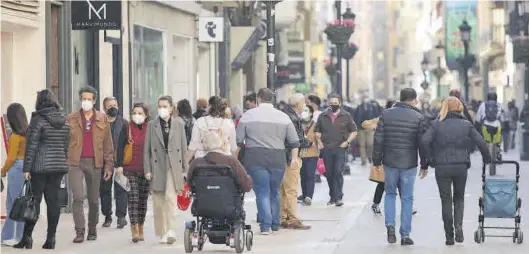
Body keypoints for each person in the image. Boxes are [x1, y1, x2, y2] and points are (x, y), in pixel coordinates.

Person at [421, 96, 491, 245]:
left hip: (442, 166)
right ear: (459, 107)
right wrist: (487, 159)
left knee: (446, 200)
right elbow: (480, 141)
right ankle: (459, 227)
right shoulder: (466, 125)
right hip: (460, 166)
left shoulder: (436, 124)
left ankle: (449, 236)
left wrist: (429, 160)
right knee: (459, 198)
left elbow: (424, 141)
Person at [236, 88, 300, 235]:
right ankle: (276, 224)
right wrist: (294, 158)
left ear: (258, 99)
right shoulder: (283, 117)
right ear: (272, 99)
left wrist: (234, 160)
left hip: (255, 157)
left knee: (262, 192)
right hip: (278, 158)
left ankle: (266, 226)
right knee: (275, 191)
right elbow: (294, 141)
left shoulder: (248, 116)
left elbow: (238, 141)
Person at [14, 89, 70, 249]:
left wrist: (27, 168)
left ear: (40, 101)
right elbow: (66, 146)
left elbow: (31, 146)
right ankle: (51, 239)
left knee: (33, 201)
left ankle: (27, 237)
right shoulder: (64, 120)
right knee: (53, 203)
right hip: (58, 166)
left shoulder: (37, 120)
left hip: (39, 167)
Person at [372, 88, 428, 246]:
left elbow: (379, 140)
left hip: (390, 162)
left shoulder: (386, 114)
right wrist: (425, 164)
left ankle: (390, 226)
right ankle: (405, 235)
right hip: (409, 163)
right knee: (407, 198)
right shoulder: (418, 117)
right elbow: (423, 144)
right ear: (413, 100)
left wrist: (376, 161)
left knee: (390, 194)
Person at [68, 86, 114, 243]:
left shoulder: (103, 118)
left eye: (89, 99)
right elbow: (64, 141)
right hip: (75, 162)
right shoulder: (72, 118)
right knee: (78, 197)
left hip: (95, 163)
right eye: (83, 98)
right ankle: (79, 231)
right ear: (80, 100)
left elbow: (108, 144)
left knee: (94, 199)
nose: (86, 101)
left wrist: (109, 166)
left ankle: (92, 228)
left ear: (94, 101)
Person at [144, 95, 188, 244]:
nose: (162, 109)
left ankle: (171, 230)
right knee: (158, 201)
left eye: (165, 106)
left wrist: (184, 169)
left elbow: (183, 148)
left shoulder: (179, 124)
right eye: (160, 106)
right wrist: (147, 169)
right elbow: (147, 150)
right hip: (157, 166)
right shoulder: (151, 125)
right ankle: (161, 231)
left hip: (172, 165)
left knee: (170, 198)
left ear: (171, 108)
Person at [115, 102, 150, 243]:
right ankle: (134, 229)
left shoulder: (150, 128)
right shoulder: (127, 127)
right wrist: (119, 165)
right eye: (134, 113)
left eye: (140, 113)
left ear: (146, 115)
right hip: (129, 168)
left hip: (146, 170)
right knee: (133, 198)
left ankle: (141, 227)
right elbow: (119, 146)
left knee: (143, 200)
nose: (137, 116)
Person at [315, 93, 357, 206]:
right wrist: (319, 142)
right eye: (331, 103)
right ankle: (332, 196)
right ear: (328, 103)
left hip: (340, 148)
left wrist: (347, 142)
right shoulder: (322, 116)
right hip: (326, 148)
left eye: (335, 103)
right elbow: (317, 131)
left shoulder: (346, 115)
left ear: (339, 103)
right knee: (329, 173)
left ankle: (338, 197)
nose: (333, 105)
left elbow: (354, 131)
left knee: (338, 172)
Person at [280, 93, 311, 230]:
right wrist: (308, 143)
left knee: (283, 190)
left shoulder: (283, 114)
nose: (304, 106)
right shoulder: (293, 118)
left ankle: (282, 217)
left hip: (281, 156)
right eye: (303, 103)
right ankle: (293, 219)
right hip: (290, 157)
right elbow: (296, 140)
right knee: (292, 189)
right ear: (298, 104)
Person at [188, 128, 252, 193]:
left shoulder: (196, 163)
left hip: (202, 201)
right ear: (220, 143)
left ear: (204, 146)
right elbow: (246, 187)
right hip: (228, 200)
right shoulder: (231, 161)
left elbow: (190, 185)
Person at [1, 103, 28, 246]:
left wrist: (3, 171)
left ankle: (14, 236)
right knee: (18, 204)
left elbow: (11, 158)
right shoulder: (28, 133)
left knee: (13, 205)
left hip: (15, 168)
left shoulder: (15, 136)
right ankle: (9, 236)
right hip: (25, 168)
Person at [100, 96, 128, 229]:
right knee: (105, 190)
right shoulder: (100, 123)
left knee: (121, 189)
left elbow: (127, 144)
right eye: (110, 105)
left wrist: (121, 164)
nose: (113, 108)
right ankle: (107, 216)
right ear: (104, 108)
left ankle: (121, 217)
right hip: (104, 162)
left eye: (115, 105)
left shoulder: (124, 123)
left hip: (120, 162)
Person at [188, 96, 237, 162]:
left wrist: (186, 162)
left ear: (209, 106)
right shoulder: (229, 123)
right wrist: (235, 163)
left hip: (202, 160)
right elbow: (233, 147)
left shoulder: (200, 122)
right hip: (224, 160)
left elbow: (193, 145)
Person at [298, 96, 320, 205]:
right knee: (303, 176)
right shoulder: (298, 125)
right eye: (303, 111)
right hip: (301, 154)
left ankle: (309, 196)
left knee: (310, 175)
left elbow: (319, 138)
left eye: (306, 111)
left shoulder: (315, 125)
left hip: (312, 153)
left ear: (311, 113)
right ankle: (304, 194)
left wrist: (317, 142)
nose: (304, 113)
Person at [354, 95, 381, 165]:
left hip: (370, 128)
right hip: (361, 129)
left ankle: (370, 157)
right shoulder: (359, 107)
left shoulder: (372, 107)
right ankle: (363, 160)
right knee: (362, 145)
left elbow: (376, 116)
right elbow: (356, 117)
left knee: (370, 144)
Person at [306, 95, 323, 183]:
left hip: (316, 141)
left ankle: (317, 173)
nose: (306, 104)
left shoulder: (320, 115)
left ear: (314, 104)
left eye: (308, 103)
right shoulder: (305, 113)